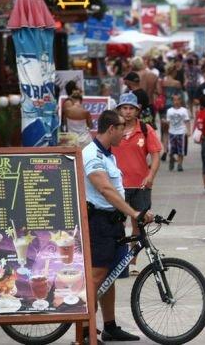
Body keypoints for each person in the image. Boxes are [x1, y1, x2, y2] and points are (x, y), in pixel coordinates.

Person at [83, 110, 153, 342]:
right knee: (98, 274)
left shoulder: (109, 154)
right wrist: (133, 212)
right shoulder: (92, 155)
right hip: (98, 223)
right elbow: (105, 189)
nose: (125, 132)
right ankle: (84, 328)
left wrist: (134, 213)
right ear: (111, 128)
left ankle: (110, 326)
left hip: (112, 222)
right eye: (122, 127)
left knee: (110, 274)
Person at [112, 93, 161, 276]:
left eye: (131, 108)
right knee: (117, 224)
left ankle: (132, 261)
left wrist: (151, 175)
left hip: (141, 185)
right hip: (117, 186)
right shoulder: (113, 129)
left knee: (138, 224)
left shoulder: (145, 129)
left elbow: (156, 154)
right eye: (124, 108)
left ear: (137, 110)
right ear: (118, 110)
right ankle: (119, 261)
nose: (127, 112)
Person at [157, 64, 186, 160]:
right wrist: (184, 107)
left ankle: (165, 150)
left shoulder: (162, 82)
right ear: (174, 72)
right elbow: (181, 96)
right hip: (174, 106)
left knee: (164, 131)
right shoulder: (177, 83)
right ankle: (174, 150)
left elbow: (159, 93)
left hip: (164, 107)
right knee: (174, 129)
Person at [166, 94, 191, 172]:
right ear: (172, 101)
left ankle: (180, 164)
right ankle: (171, 160)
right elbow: (168, 122)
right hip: (172, 132)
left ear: (180, 101)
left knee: (181, 150)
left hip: (181, 132)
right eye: (174, 100)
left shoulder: (184, 110)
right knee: (170, 150)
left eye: (178, 100)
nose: (176, 102)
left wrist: (188, 130)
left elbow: (187, 121)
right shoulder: (169, 111)